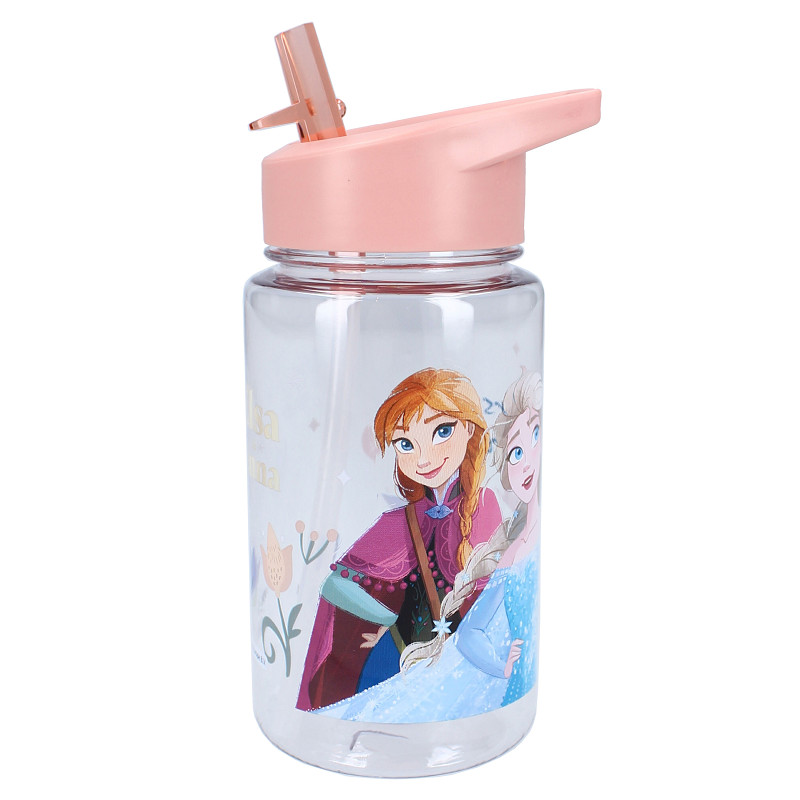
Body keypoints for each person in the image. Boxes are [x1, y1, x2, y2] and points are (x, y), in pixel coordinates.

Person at [312, 369, 542, 722]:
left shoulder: (485, 505)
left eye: (442, 431)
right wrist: (386, 616)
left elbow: (494, 595)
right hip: (395, 658)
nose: (424, 458)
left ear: (469, 429)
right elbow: (334, 585)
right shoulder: (399, 521)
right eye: (406, 444)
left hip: (460, 664)